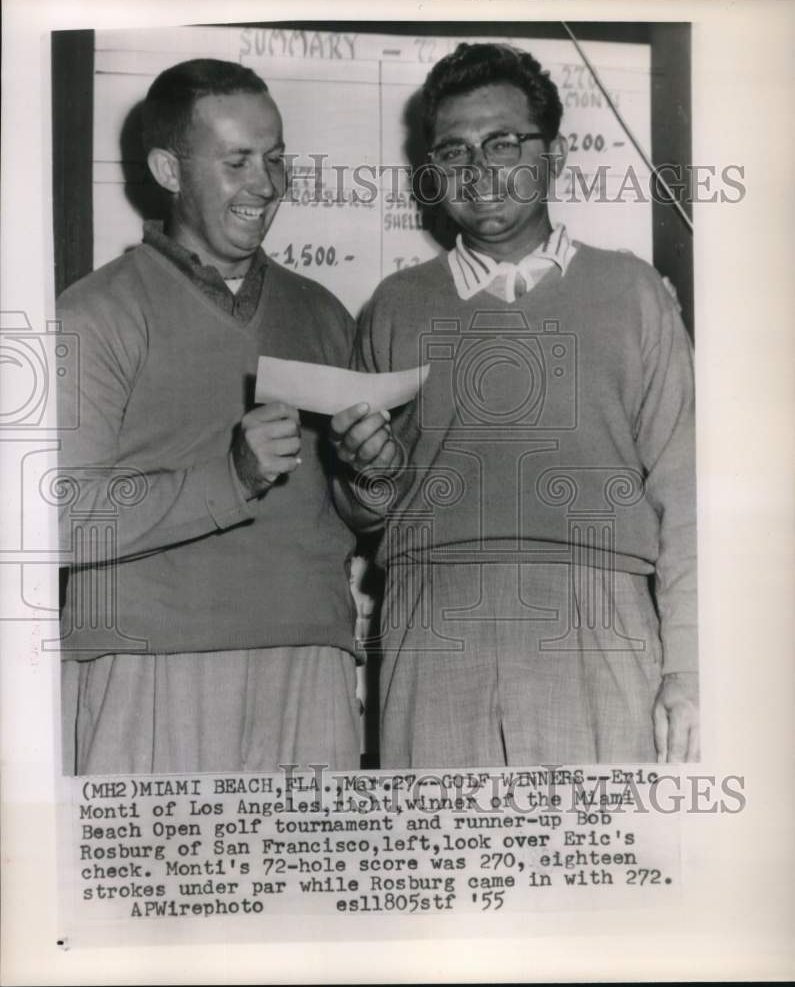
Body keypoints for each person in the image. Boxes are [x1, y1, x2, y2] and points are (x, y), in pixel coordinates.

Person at [331, 42, 699, 768]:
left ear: (554, 155)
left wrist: (686, 666)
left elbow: (685, 496)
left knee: (597, 870)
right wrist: (368, 473)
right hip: (432, 625)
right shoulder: (393, 308)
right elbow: (362, 510)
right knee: (442, 869)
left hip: (599, 620)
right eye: (454, 151)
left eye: (502, 143)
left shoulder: (634, 295)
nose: (478, 171)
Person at [57, 58, 363, 775]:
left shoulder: (321, 312)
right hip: (150, 672)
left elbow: (349, 515)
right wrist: (229, 476)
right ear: (168, 170)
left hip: (308, 667)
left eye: (276, 158)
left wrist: (372, 479)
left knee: (308, 889)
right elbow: (55, 519)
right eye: (237, 162)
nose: (266, 185)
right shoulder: (94, 314)